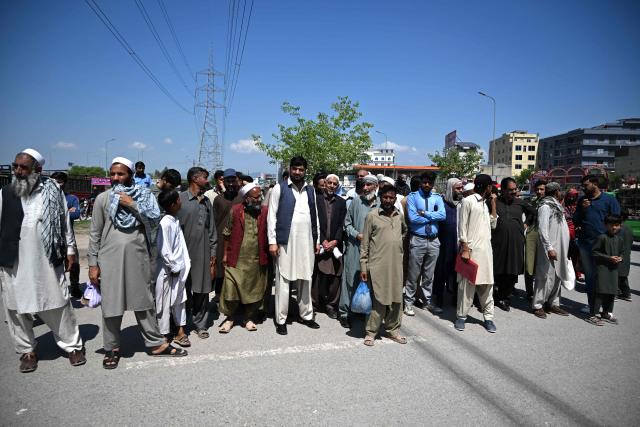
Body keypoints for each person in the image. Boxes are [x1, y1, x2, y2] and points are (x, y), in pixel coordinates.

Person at [89, 157, 186, 370]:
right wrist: (93, 264)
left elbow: (154, 219)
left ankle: (155, 343)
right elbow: (95, 232)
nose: (115, 178)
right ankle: (112, 348)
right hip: (110, 259)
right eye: (112, 174)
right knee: (112, 305)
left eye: (120, 174)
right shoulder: (103, 199)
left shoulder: (144, 196)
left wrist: (131, 204)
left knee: (144, 302)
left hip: (139, 257)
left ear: (131, 175)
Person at [0, 149, 85, 373]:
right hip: (14, 261)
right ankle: (27, 350)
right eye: (15, 166)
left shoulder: (52, 191)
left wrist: (70, 249)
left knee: (57, 302)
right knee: (16, 309)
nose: (17, 171)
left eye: (23, 167)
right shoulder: (5, 193)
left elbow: (64, 221)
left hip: (46, 259)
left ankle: (72, 346)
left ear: (37, 170)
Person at [267, 156, 321, 335]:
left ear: (305, 171)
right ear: (290, 169)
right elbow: (272, 217)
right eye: (295, 169)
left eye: (301, 170)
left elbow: (315, 218)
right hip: (286, 242)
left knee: (306, 278)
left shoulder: (311, 190)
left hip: (307, 241)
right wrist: (272, 242)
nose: (297, 172)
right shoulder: (279, 188)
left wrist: (317, 240)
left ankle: (306, 315)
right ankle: (281, 319)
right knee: (284, 280)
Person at [360, 185, 408, 346]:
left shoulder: (399, 216)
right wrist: (363, 266)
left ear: (395, 198)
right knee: (379, 299)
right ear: (380, 197)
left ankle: (393, 330)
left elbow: (404, 232)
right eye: (385, 197)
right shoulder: (372, 216)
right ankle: (371, 332)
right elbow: (365, 243)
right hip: (377, 265)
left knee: (396, 299)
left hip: (396, 264)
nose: (388, 200)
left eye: (391, 197)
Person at [219, 183, 269, 333]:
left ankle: (249, 318)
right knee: (230, 290)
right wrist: (226, 255)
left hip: (256, 259)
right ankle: (230, 318)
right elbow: (226, 233)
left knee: (253, 290)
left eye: (260, 196)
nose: (259, 199)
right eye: (255, 197)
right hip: (236, 258)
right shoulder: (235, 210)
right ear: (246, 198)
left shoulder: (265, 211)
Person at [177, 166, 217, 339]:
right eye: (204, 177)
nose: (207, 181)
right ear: (194, 178)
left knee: (201, 291)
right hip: (182, 254)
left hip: (203, 254)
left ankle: (200, 324)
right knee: (182, 292)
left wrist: (213, 254)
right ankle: (181, 326)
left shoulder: (207, 201)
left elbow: (212, 230)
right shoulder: (180, 199)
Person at [455, 174, 498, 333]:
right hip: (471, 251)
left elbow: (493, 225)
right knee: (467, 286)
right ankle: (461, 317)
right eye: (490, 186)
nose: (492, 189)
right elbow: (462, 228)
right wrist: (465, 248)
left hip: (486, 252)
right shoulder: (468, 201)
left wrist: (493, 204)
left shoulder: (485, 204)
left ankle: (488, 318)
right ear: (487, 187)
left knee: (487, 286)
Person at [573, 175, 620, 313]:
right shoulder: (582, 200)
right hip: (586, 244)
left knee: (605, 276)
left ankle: (606, 309)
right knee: (590, 276)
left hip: (605, 245)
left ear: (595, 184)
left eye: (586, 185)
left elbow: (617, 221)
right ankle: (592, 306)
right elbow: (575, 220)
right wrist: (582, 209)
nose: (583, 188)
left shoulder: (609, 200)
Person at [339, 174, 379, 328]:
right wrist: (357, 235)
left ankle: (363, 309)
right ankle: (344, 313)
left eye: (369, 185)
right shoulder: (356, 202)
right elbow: (347, 224)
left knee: (369, 280)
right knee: (350, 280)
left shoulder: (381, 203)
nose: (365, 188)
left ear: (376, 186)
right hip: (356, 247)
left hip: (374, 250)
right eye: (363, 184)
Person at [404, 171, 446, 316]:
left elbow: (443, 215)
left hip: (434, 240)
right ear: (421, 182)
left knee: (429, 275)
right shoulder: (412, 197)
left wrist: (426, 214)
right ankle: (408, 302)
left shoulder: (437, 198)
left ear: (433, 184)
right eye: (424, 182)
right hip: (418, 239)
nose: (426, 185)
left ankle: (427, 301)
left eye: (429, 182)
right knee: (413, 273)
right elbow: (413, 218)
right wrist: (432, 217)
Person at [155, 189, 191, 347]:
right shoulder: (165, 223)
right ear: (173, 203)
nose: (180, 201)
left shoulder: (174, 220)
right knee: (163, 303)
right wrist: (173, 267)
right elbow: (164, 249)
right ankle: (163, 336)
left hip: (179, 269)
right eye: (178, 199)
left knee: (179, 301)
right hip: (168, 271)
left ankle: (180, 332)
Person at [491, 177, 532, 311]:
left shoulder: (520, 203)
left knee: (512, 271)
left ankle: (505, 297)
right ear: (502, 190)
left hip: (516, 242)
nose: (514, 192)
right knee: (497, 269)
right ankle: (495, 296)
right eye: (510, 190)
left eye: (515, 189)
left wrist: (525, 224)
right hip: (498, 242)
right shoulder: (494, 202)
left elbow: (533, 213)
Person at [532, 182, 571, 318]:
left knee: (557, 276)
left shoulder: (557, 206)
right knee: (545, 276)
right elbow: (543, 229)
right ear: (556, 191)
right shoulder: (545, 206)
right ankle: (538, 305)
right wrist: (549, 247)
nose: (561, 193)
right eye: (560, 191)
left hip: (560, 248)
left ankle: (553, 303)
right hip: (550, 248)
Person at [312, 173, 347, 319]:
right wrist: (321, 240)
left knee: (335, 275)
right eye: (329, 183)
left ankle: (331, 305)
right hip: (319, 243)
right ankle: (313, 304)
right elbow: (314, 221)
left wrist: (335, 241)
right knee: (316, 276)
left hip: (334, 245)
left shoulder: (341, 202)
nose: (332, 186)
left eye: (335, 184)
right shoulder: (316, 200)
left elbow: (341, 224)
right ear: (324, 184)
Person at [588, 215, 624, 326]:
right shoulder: (602, 237)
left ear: (620, 226)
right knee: (600, 292)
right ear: (606, 225)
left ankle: (606, 313)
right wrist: (609, 258)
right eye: (611, 225)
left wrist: (620, 258)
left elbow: (622, 252)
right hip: (602, 269)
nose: (614, 227)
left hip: (613, 269)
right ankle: (593, 315)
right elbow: (594, 252)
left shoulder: (619, 239)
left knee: (611, 292)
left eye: (617, 225)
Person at [51, 171, 82, 299]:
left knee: (74, 262)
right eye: (53, 182)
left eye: (59, 182)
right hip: (51, 237)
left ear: (65, 183)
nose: (56, 185)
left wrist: (60, 213)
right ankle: (55, 289)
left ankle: (74, 286)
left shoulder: (72, 198)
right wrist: (66, 212)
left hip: (68, 236)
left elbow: (76, 214)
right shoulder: (46, 197)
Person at [433, 178, 463, 307]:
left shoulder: (462, 204)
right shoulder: (441, 204)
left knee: (457, 272)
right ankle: (438, 297)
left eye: (462, 188)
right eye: (458, 188)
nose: (461, 190)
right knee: (441, 271)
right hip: (444, 244)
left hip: (459, 244)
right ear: (450, 188)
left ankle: (455, 296)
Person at [212, 169, 242, 300]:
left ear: (237, 181)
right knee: (220, 269)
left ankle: (236, 297)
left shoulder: (241, 198)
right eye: (228, 181)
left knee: (236, 267)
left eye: (233, 181)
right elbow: (213, 221)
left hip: (237, 238)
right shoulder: (218, 199)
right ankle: (218, 296)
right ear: (223, 182)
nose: (230, 184)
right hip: (220, 238)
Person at [524, 180, 547, 300]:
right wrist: (526, 224)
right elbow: (528, 218)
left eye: (542, 189)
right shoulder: (531, 202)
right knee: (529, 264)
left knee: (542, 264)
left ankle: (541, 293)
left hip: (546, 234)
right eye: (537, 189)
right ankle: (530, 292)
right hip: (533, 232)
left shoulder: (550, 203)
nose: (539, 192)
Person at [617, 215, 633, 302]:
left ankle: (615, 293)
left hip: (620, 254)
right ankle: (626, 294)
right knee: (623, 276)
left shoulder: (619, 228)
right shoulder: (629, 228)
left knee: (617, 274)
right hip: (626, 254)